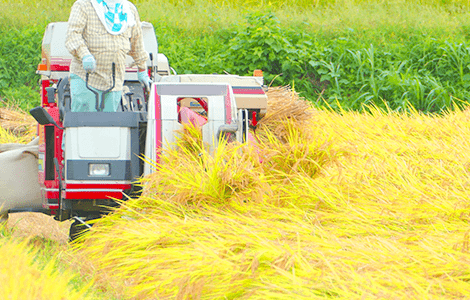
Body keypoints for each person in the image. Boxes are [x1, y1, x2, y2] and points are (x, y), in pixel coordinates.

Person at [65, 0, 152, 112]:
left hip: (114, 81)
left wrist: (142, 70)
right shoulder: (84, 5)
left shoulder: (128, 9)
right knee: (84, 125)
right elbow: (73, 35)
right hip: (86, 79)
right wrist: (84, 55)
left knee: (109, 125)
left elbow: (137, 41)